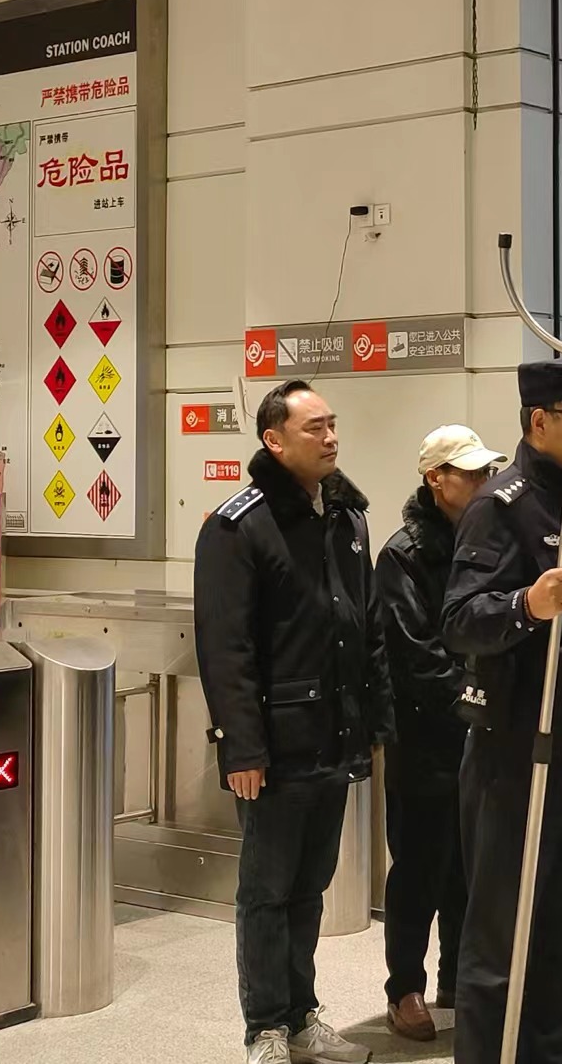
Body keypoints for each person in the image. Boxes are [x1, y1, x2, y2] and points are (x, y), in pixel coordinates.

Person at [443, 359, 562, 1064]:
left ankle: (548, 1053)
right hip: (521, 750)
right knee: (504, 935)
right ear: (538, 421)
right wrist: (525, 604)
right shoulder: (503, 505)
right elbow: (460, 620)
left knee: (557, 934)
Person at [194, 380, 382, 1064]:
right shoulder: (238, 526)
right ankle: (266, 1027)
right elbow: (226, 649)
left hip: (335, 736)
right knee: (266, 892)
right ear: (274, 440)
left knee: (310, 887)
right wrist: (241, 748)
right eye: (313, 428)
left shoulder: (348, 518)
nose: (330, 438)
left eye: (332, 424)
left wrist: (372, 726)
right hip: (274, 746)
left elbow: (364, 627)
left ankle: (303, 1015)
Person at [374, 424, 506, 1042]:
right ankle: (404, 987)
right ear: (436, 479)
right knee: (419, 867)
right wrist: (471, 698)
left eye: (487, 472)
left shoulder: (491, 539)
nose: (483, 483)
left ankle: (459, 977)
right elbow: (414, 654)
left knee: (470, 866)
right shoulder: (403, 554)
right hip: (426, 735)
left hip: (483, 729)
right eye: (471, 473)